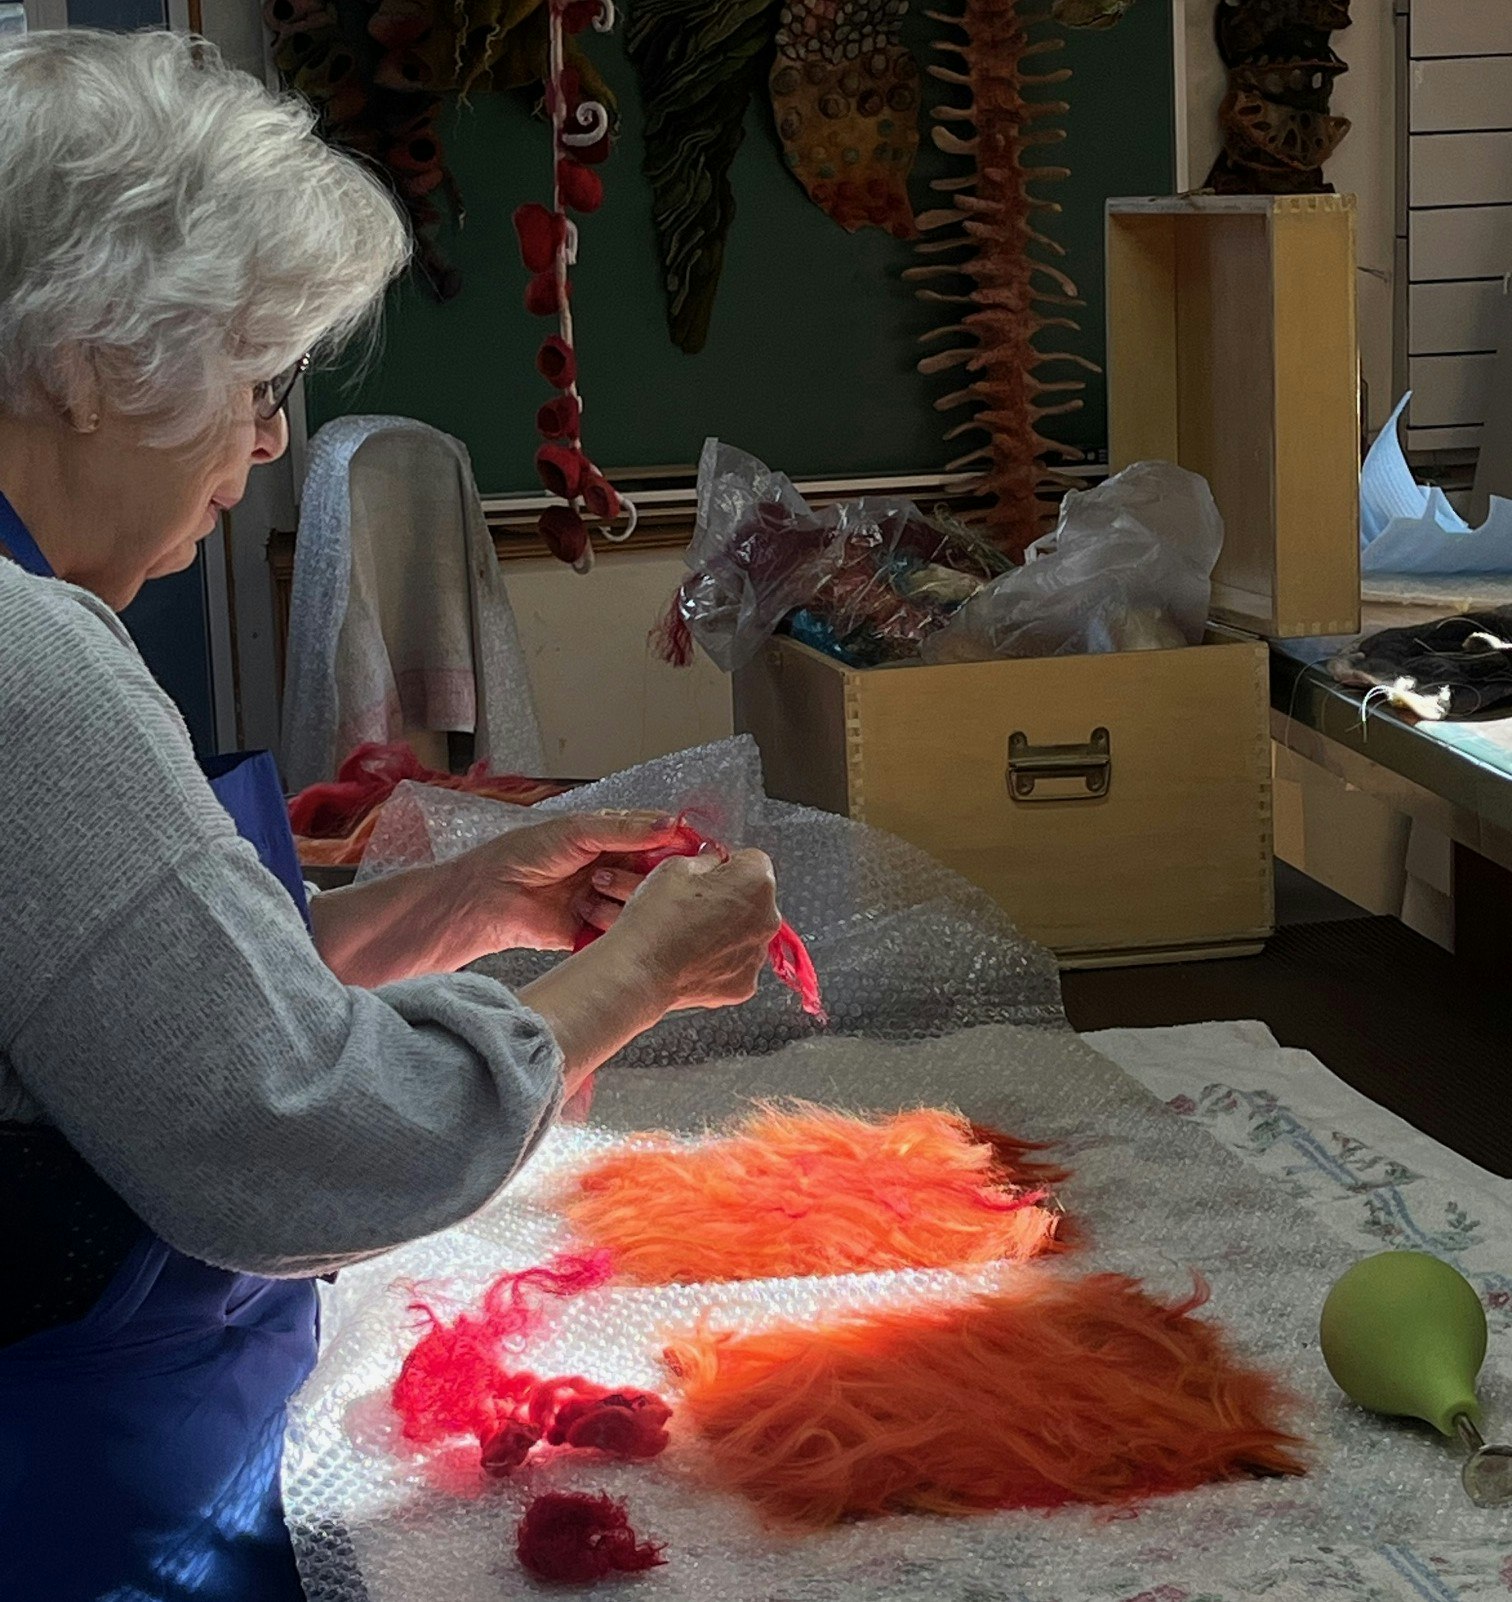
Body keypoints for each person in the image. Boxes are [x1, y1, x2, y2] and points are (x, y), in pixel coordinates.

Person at [0, 29, 781, 1601]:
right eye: (257, 375)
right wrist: (633, 977)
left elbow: (130, 1001)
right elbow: (302, 1141)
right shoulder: (28, 665)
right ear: (84, 361)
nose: (270, 437)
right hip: (81, 1524)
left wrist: (468, 900)